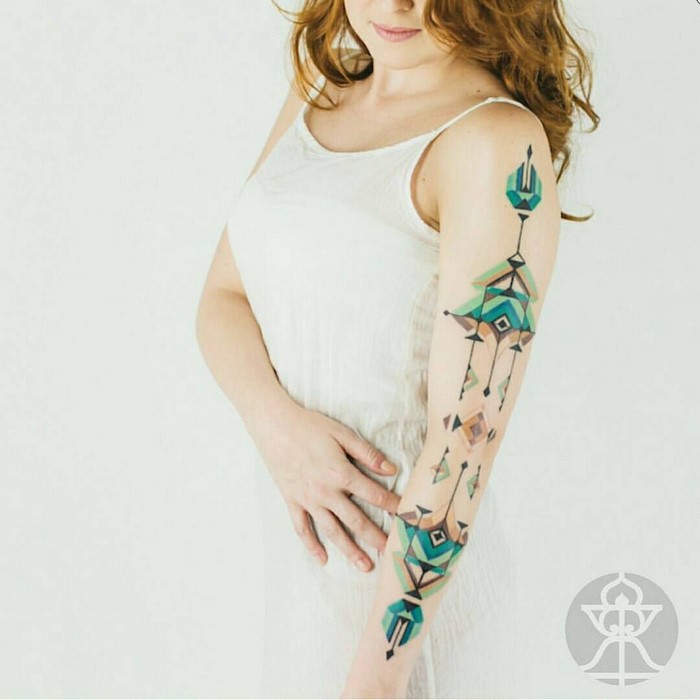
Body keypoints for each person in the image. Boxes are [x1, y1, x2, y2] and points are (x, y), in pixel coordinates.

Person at [196, 0, 599, 697]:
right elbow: (222, 299)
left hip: (402, 623)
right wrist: (278, 428)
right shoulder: (319, 89)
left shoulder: (497, 141)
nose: (396, 5)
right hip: (301, 587)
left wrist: (376, 682)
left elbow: (464, 442)